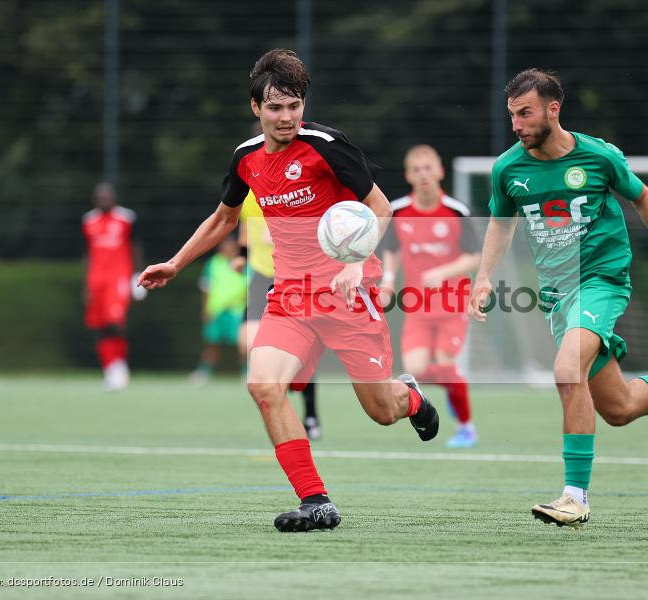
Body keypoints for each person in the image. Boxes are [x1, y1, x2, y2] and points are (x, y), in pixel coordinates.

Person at [138, 49, 439, 532]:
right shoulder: (246, 159)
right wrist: (176, 263)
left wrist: (355, 263)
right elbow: (224, 218)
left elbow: (381, 209)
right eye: (275, 107)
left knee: (382, 412)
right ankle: (316, 501)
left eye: (294, 105)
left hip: (347, 292)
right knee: (263, 385)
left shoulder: (326, 147)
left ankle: (412, 399)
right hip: (292, 296)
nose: (286, 117)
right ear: (255, 107)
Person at [468, 68, 648, 528]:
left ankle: (574, 497)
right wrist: (483, 278)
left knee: (564, 370)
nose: (516, 124)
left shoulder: (598, 156)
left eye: (525, 113)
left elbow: (642, 196)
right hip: (558, 296)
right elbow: (501, 223)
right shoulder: (507, 169)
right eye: (512, 115)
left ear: (553, 110)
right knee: (619, 408)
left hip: (602, 280)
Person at [380, 145, 481, 448]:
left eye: (429, 168)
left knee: (447, 365)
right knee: (416, 370)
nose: (424, 174)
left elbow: (474, 256)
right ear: (408, 175)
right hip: (417, 305)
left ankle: (466, 428)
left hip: (452, 303)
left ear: (440, 171)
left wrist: (444, 272)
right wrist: (387, 281)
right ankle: (454, 385)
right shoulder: (398, 211)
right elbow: (391, 251)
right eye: (417, 169)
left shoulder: (455, 211)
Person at [237, 184, 322, 439]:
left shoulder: (297, 190)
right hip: (262, 276)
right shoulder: (247, 193)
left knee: (298, 354)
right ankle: (281, 399)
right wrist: (242, 255)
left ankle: (310, 415)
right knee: (246, 343)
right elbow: (245, 226)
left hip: (293, 277)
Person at [82, 182, 142, 390]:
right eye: (99, 197)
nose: (103, 200)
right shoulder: (89, 220)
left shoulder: (126, 218)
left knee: (116, 322)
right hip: (96, 280)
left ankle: (120, 369)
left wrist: (137, 276)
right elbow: (88, 254)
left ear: (114, 198)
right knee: (99, 325)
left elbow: (136, 247)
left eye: (106, 196)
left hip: (118, 278)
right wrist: (87, 285)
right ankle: (110, 369)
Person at [190, 236, 247, 384]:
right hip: (216, 310)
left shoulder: (244, 263)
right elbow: (205, 287)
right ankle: (204, 372)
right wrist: (205, 308)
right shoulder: (213, 264)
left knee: (243, 345)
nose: (227, 249)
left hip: (237, 311)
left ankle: (246, 373)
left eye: (230, 246)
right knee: (211, 343)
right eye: (224, 247)